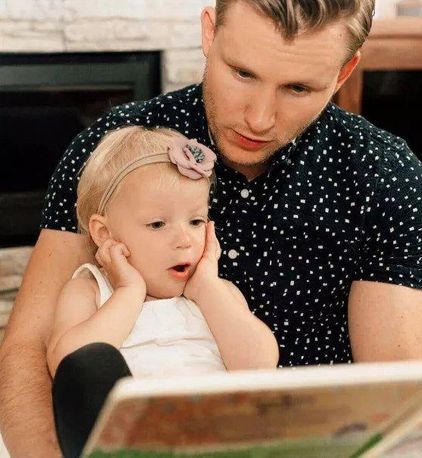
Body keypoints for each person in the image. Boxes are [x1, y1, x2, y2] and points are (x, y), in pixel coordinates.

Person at [0, 1, 422, 456]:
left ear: (344, 72)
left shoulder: (385, 175)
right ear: (209, 33)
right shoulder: (112, 151)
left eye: (298, 88)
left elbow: (393, 395)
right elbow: (30, 351)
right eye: (242, 73)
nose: (260, 118)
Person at [46, 125, 278, 457]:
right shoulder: (91, 290)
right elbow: (72, 367)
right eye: (158, 224)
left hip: (216, 437)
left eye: (196, 222)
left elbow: (259, 365)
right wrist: (128, 292)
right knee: (94, 364)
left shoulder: (215, 294)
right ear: (105, 233)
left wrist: (208, 289)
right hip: (132, 442)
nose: (184, 239)